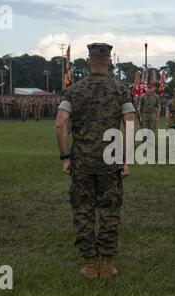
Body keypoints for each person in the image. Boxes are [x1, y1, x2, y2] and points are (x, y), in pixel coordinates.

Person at [55, 43, 135, 280]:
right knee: (110, 211)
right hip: (112, 161)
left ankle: (90, 265)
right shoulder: (121, 90)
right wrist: (127, 160)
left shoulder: (74, 90)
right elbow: (130, 125)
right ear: (110, 63)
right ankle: (108, 265)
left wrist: (65, 157)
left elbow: (60, 125)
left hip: (82, 162)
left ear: (88, 62)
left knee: (83, 211)